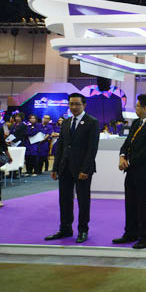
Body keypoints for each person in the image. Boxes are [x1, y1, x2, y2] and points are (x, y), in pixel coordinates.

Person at [45, 93, 100, 244]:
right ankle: (65, 228)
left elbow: (92, 149)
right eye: (71, 104)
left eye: (77, 104)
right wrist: (55, 168)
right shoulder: (66, 122)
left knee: (83, 201)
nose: (74, 107)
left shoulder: (92, 122)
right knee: (64, 200)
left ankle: (83, 230)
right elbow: (61, 147)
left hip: (82, 169)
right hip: (65, 167)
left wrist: (85, 169)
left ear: (84, 105)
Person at [113, 94, 146, 249]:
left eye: (137, 106)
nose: (136, 108)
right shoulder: (136, 123)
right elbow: (127, 142)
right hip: (131, 170)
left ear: (145, 108)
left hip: (145, 171)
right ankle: (131, 233)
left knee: (144, 204)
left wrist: (129, 162)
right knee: (130, 202)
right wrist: (122, 156)